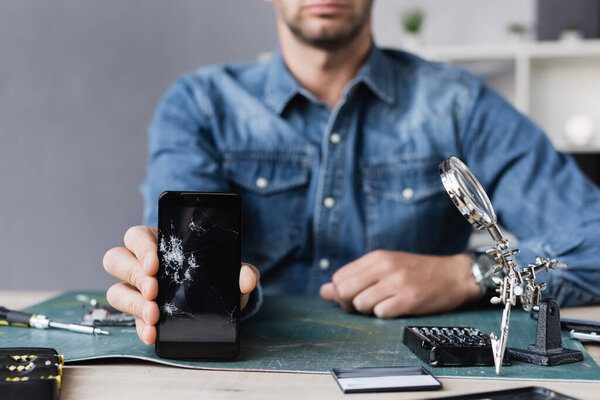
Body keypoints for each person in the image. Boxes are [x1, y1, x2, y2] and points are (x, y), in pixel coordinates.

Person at [103, 0, 600, 345]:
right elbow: (183, 270)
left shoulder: (460, 105)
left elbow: (592, 236)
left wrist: (469, 274)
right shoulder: (200, 106)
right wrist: (168, 278)